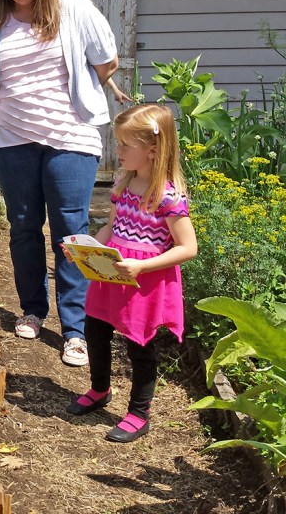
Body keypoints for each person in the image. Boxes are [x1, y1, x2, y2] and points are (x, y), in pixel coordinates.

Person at [0, 0, 119, 367]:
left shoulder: (75, 9)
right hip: (11, 139)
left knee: (70, 229)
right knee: (23, 226)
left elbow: (106, 62)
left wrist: (61, 101)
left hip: (71, 136)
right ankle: (33, 310)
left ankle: (76, 329)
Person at [65, 104, 196, 443]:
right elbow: (112, 227)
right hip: (112, 274)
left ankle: (139, 413)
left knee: (140, 347)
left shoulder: (168, 196)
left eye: (125, 144)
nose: (117, 150)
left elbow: (188, 248)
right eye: (117, 142)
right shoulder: (123, 183)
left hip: (144, 281)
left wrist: (142, 265)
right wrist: (87, 249)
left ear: (152, 149)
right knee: (95, 330)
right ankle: (99, 390)